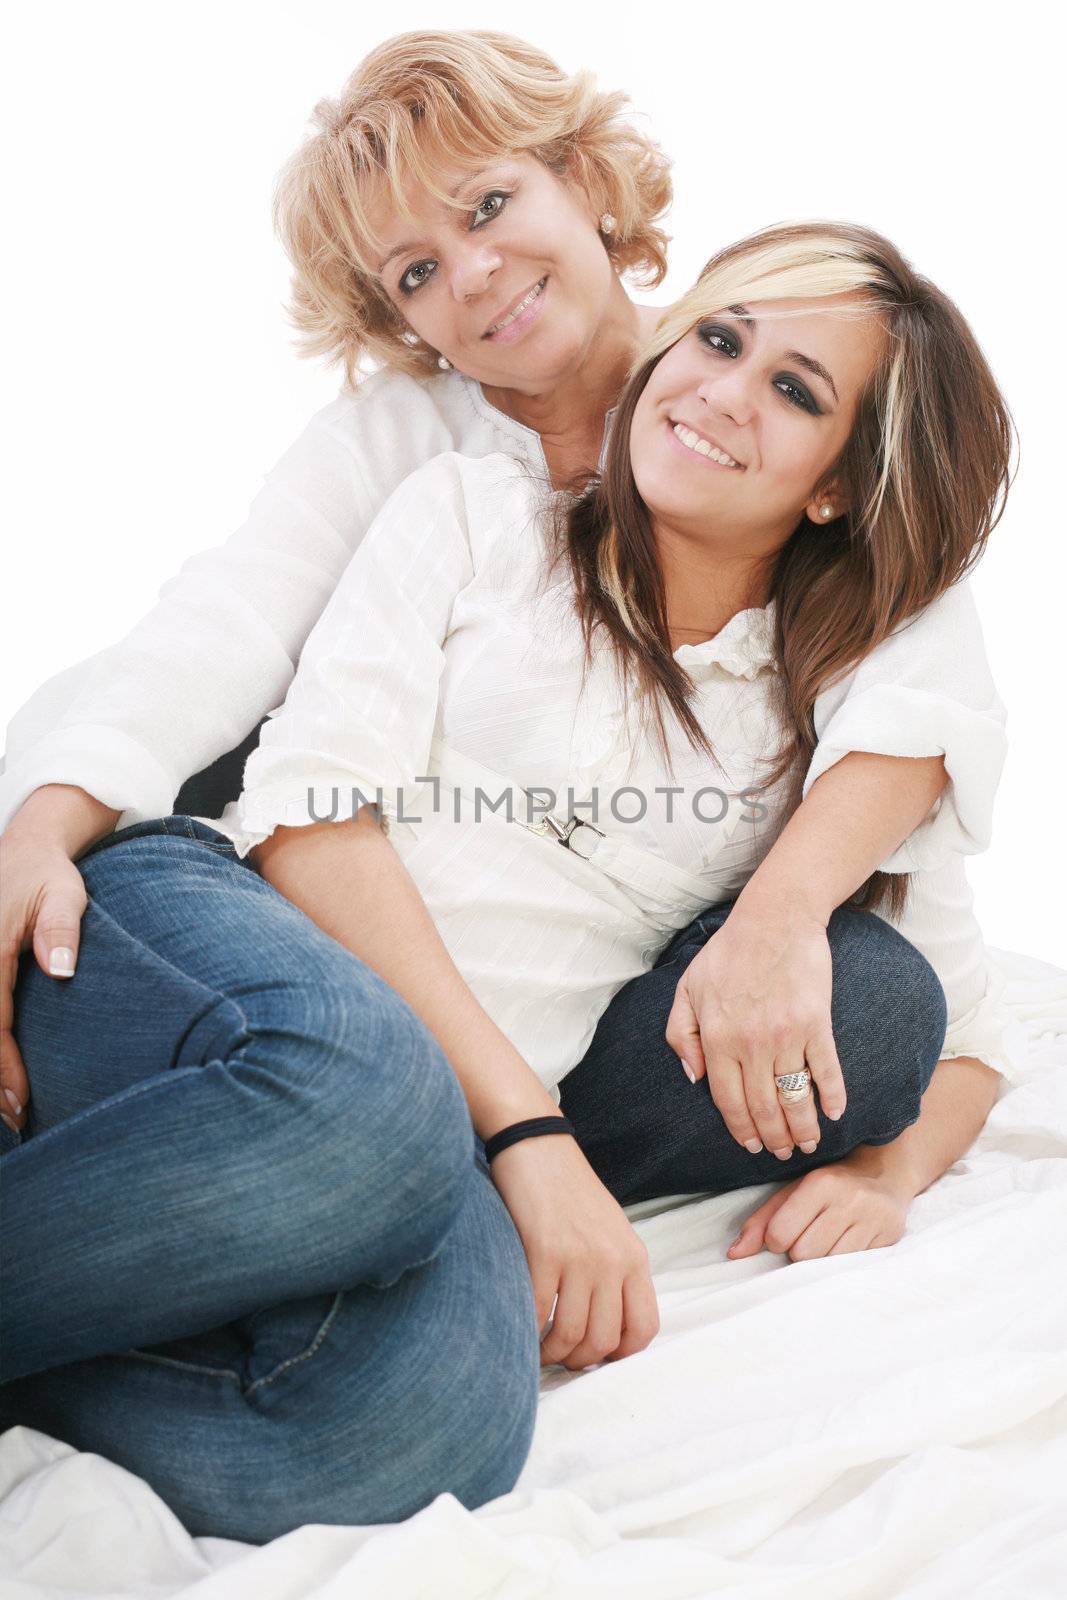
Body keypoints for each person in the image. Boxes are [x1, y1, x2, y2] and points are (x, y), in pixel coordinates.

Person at [1, 218, 1016, 1545]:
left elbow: (964, 1029)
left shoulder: (821, 716)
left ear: (836, 486)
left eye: (791, 389)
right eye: (718, 338)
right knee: (366, 1103)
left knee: (411, 1439)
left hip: (446, 1133)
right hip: (221, 940)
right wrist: (531, 1142)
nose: (719, 389)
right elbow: (310, 816)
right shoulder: (477, 515)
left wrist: (884, 1177)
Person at [2, 29, 971, 1148]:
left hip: (579, 914)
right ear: (400, 319)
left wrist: (788, 919)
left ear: (588, 183)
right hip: (324, 831)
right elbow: (226, 621)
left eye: (486, 205)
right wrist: (42, 824)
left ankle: (476, 1150)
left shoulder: (738, 397)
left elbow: (910, 688)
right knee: (220, 746)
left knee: (879, 992)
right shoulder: (409, 450)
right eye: (412, 272)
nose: (470, 274)